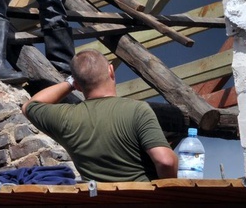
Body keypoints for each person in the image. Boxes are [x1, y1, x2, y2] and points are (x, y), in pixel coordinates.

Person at [22, 49, 178, 182]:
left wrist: (70, 82)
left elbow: (30, 106)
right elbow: (165, 161)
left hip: (98, 200)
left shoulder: (66, 118)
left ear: (77, 85)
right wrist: (168, 196)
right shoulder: (137, 110)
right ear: (111, 70)